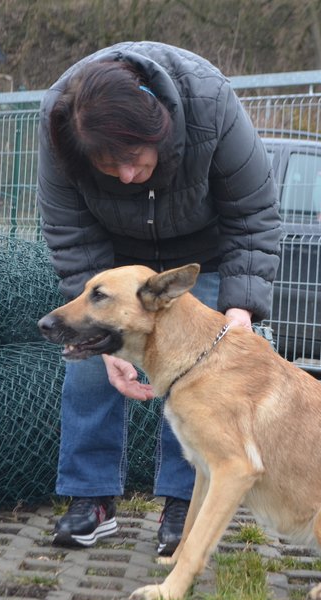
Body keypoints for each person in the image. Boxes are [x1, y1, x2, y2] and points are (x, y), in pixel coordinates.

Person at [37, 41, 282, 556]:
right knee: (85, 370)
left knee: (197, 380)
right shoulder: (61, 125)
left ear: (159, 128)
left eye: (132, 158)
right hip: (115, 260)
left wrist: (240, 308)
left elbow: (253, 210)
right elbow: (70, 231)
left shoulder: (209, 101)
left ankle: (180, 504)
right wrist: (102, 338)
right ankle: (91, 500)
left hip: (202, 260)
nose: (126, 175)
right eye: (109, 165)